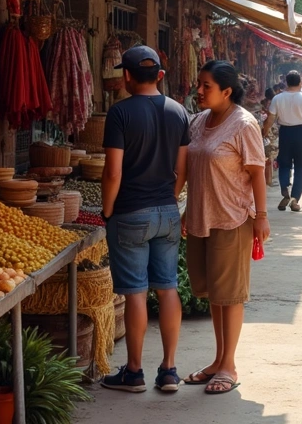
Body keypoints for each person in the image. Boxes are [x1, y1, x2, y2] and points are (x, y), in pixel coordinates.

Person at [99, 46, 190, 393]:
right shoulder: (179, 111)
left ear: (125, 77)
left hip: (130, 213)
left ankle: (133, 372)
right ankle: (168, 370)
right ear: (161, 77)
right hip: (167, 210)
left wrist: (107, 211)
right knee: (167, 287)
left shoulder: (119, 113)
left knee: (135, 292)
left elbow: (112, 172)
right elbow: (182, 169)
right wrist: (170, 197)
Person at [178, 60, 270, 395]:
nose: (199, 91)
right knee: (215, 296)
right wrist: (187, 210)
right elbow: (192, 168)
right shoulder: (199, 121)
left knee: (230, 296)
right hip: (202, 217)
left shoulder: (244, 124)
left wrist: (261, 216)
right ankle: (217, 360)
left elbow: (257, 172)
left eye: (207, 86)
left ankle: (229, 365)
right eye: (199, 84)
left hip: (233, 217)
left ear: (227, 92)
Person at [262, 71, 302, 212]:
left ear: (286, 82)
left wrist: (263, 132)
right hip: (301, 133)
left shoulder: (278, 98)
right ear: (300, 82)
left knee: (284, 164)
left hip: (285, 133)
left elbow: (270, 119)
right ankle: (295, 199)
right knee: (300, 167)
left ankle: (284, 189)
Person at [260, 88, 279, 187]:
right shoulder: (273, 103)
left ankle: (267, 179)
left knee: (267, 157)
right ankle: (269, 180)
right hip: (268, 132)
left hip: (265, 131)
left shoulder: (262, 104)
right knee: (269, 157)